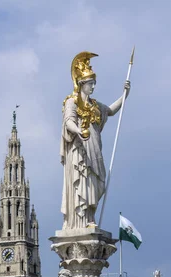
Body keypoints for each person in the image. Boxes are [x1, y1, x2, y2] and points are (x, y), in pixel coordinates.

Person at [61, 52, 131, 229]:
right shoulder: (72, 102)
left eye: (94, 83)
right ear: (81, 84)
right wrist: (79, 131)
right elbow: (68, 121)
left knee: (95, 182)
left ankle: (90, 216)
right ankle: (79, 219)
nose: (93, 87)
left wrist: (124, 95)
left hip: (95, 149)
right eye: (90, 84)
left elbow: (111, 111)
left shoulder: (95, 105)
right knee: (81, 179)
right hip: (79, 149)